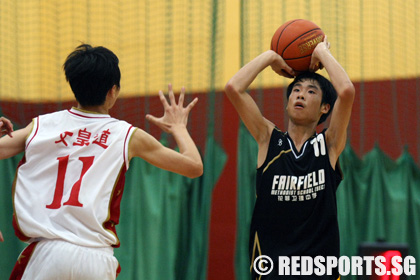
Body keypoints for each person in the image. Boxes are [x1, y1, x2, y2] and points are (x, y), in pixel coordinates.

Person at [0, 44, 203, 279]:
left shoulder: (41, 126)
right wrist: (178, 128)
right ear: (113, 91)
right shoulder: (128, 135)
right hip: (95, 260)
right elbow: (194, 166)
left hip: (47, 255)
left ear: (73, 86)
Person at [225, 37, 355, 279]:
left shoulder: (328, 144)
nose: (300, 95)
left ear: (325, 108)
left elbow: (346, 91)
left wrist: (321, 51)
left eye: (310, 91)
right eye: (296, 90)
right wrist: (271, 57)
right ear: (287, 104)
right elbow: (234, 88)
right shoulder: (268, 139)